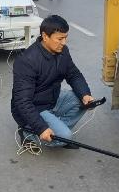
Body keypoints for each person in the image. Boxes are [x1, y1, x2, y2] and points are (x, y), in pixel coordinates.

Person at [11, 15, 95, 147]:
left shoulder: (62, 51)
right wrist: (40, 127)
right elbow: (22, 101)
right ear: (45, 36)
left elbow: (74, 74)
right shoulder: (27, 61)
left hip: (52, 99)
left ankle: (56, 131)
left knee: (81, 100)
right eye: (60, 39)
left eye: (65, 38)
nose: (64, 43)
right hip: (34, 107)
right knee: (65, 136)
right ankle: (29, 134)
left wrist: (85, 94)